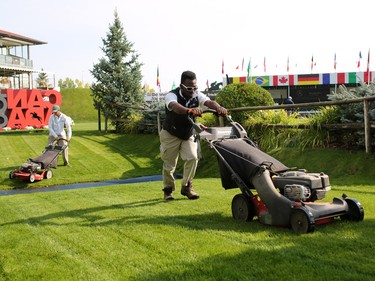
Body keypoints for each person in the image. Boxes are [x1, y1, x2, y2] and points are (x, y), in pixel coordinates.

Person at [160, 70, 227, 201]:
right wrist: (189, 110)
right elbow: (175, 107)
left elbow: (209, 102)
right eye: (189, 88)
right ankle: (168, 190)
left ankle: (186, 186)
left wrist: (219, 107)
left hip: (188, 133)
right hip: (170, 133)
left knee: (193, 157)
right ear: (181, 86)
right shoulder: (171, 96)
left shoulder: (197, 95)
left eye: (195, 87)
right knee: (169, 164)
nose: (192, 90)